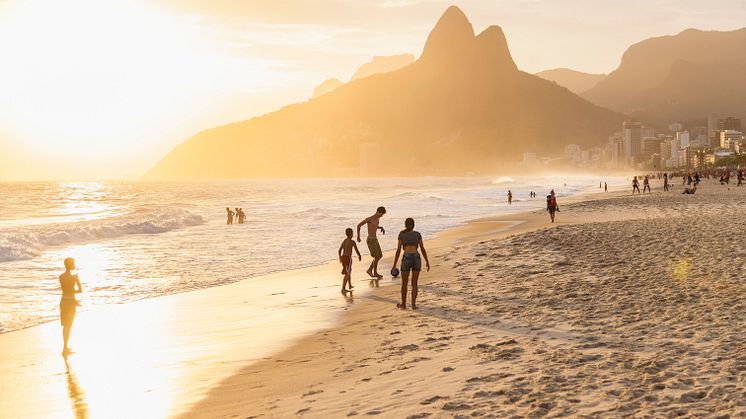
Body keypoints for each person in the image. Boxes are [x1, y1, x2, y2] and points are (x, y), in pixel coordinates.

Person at [392, 218, 430, 310]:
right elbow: (422, 248)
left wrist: (394, 265)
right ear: (414, 225)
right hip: (416, 258)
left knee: (404, 283)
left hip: (407, 258)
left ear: (405, 225)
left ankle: (404, 304)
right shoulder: (417, 234)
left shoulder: (402, 234)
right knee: (414, 283)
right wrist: (427, 261)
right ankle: (413, 305)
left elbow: (398, 250)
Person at [59, 257, 83, 356]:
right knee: (69, 326)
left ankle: (65, 347)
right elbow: (79, 290)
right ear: (71, 265)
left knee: (65, 326)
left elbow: (65, 290)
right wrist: (77, 280)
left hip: (63, 301)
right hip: (71, 302)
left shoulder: (61, 277)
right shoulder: (74, 277)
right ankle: (65, 348)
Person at [357, 206, 386, 278]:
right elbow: (359, 225)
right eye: (381, 214)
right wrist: (358, 236)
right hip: (370, 240)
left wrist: (380, 227)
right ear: (378, 212)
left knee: (380, 256)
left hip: (375, 239)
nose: (382, 216)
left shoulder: (377, 219)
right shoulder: (369, 219)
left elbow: (375, 226)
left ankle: (370, 270)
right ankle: (375, 273)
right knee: (377, 257)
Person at [338, 228, 361, 293]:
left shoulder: (344, 241)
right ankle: (343, 289)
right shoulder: (352, 242)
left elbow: (339, 250)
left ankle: (350, 285)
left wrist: (340, 258)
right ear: (351, 234)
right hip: (348, 259)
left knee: (349, 271)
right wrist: (359, 255)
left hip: (343, 258)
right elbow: (356, 250)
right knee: (347, 273)